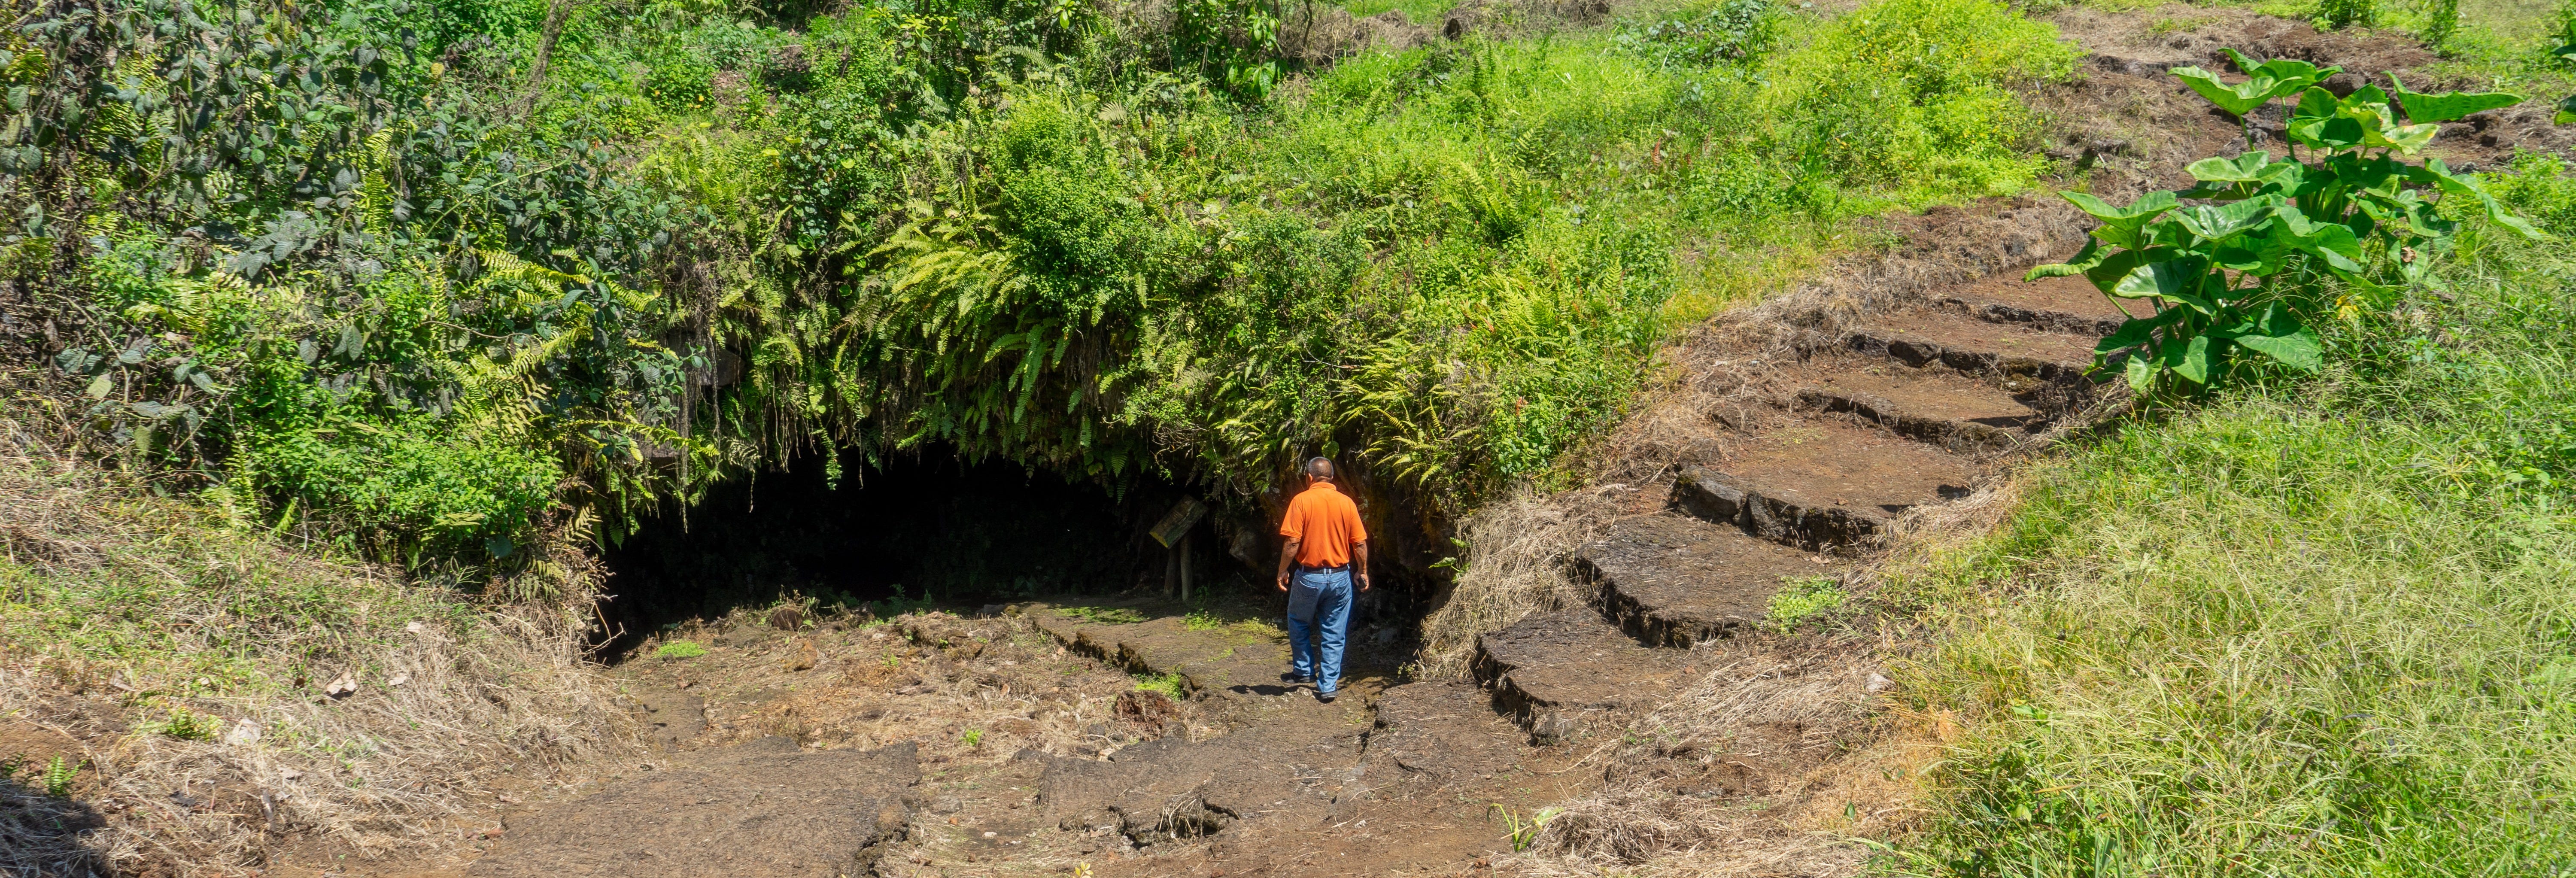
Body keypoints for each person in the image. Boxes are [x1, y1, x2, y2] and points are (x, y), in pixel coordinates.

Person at [1275, 456, 1368, 703]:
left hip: (1309, 578)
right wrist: (1363, 570)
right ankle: (1327, 686)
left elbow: (1293, 542)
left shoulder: (1302, 501)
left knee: (1298, 621)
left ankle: (1304, 671)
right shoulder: (1347, 503)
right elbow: (1359, 543)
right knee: (1335, 632)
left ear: (1309, 477)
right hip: (1340, 577)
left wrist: (1283, 570)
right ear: (1332, 477)